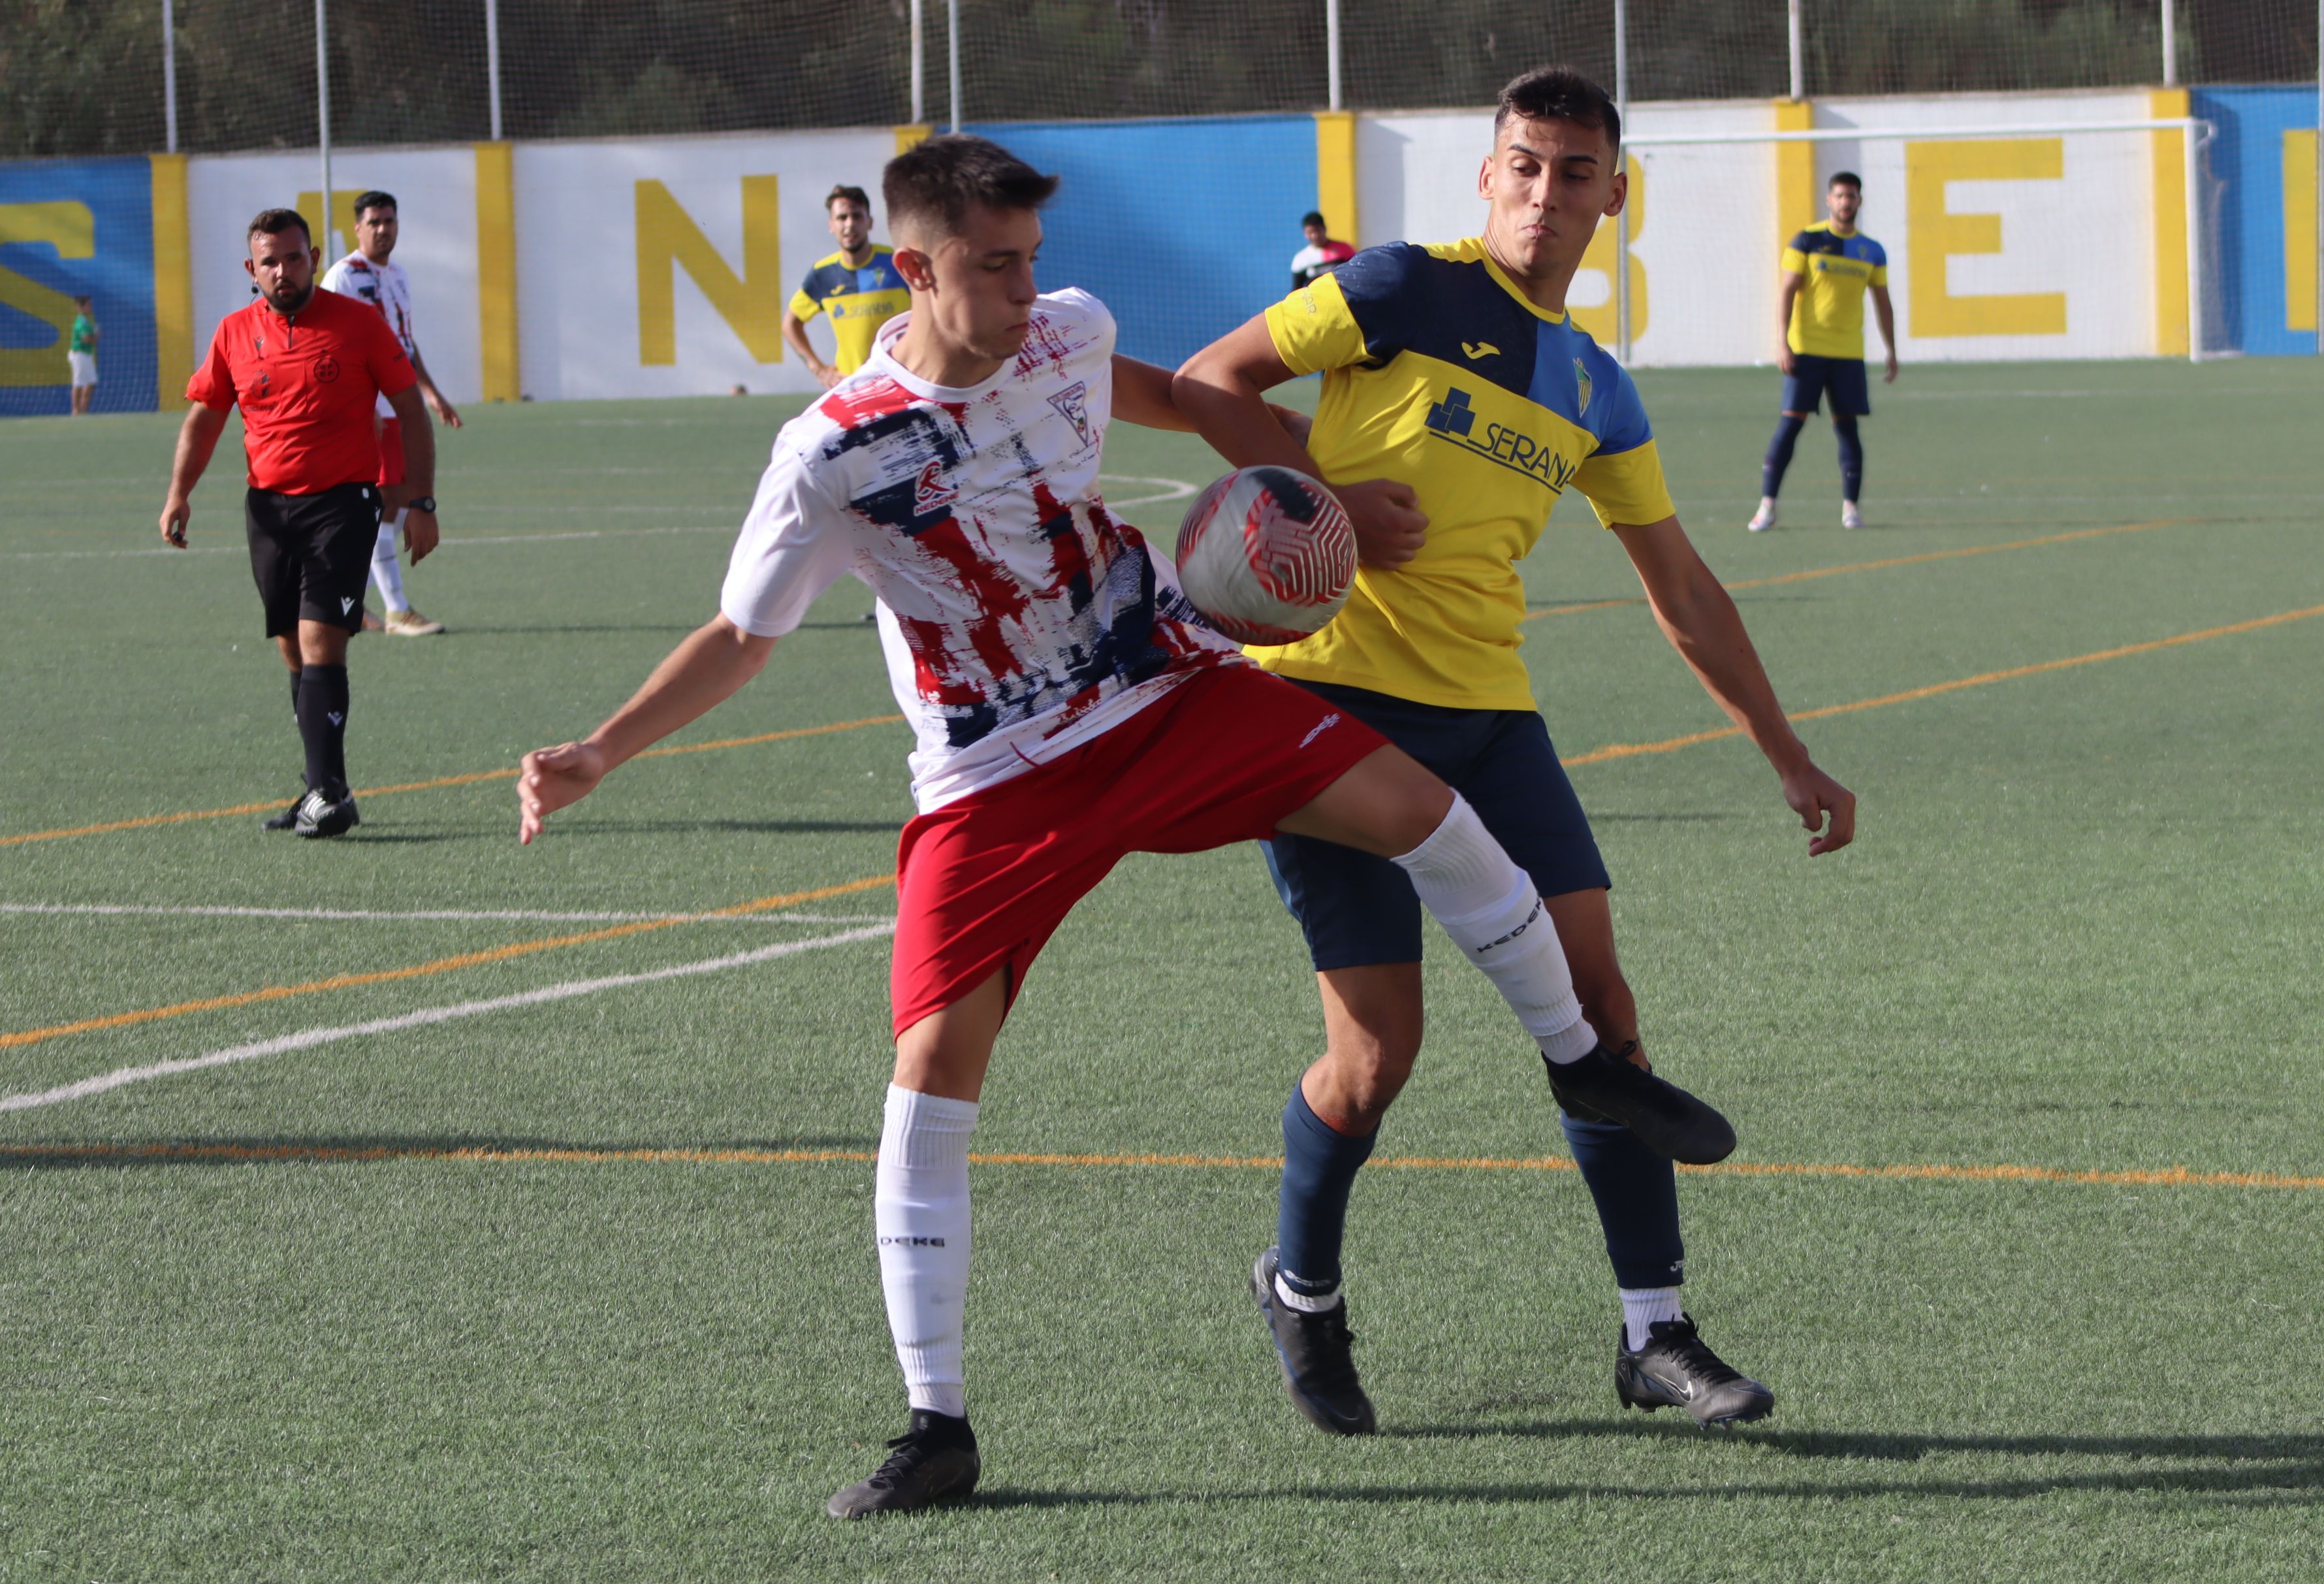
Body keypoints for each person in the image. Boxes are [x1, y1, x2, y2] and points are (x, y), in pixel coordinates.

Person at [513, 135, 1730, 1517]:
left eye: (1034, 258)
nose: (1032, 290)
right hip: (994, 775)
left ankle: (1584, 1064)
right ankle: (938, 1422)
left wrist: (1313, 498)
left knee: (1424, 810)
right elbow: (744, 635)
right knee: (930, 1073)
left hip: (1162, 684)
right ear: (913, 269)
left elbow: (1171, 393)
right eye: (995, 266)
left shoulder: (1065, 334)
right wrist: (602, 747)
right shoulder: (831, 452)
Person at [1177, 65, 1856, 1436]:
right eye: (1525, 166)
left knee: (1605, 1016)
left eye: (1576, 172)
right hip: (1329, 712)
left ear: (1618, 194)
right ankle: (1299, 1282)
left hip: (1491, 719)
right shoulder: (1394, 289)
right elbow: (1212, 382)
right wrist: (1332, 508)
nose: (1548, 194)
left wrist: (1786, 750)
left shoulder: (1597, 386)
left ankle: (1655, 1330)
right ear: (1489, 176)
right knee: (1378, 1054)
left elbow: (1682, 585)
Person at [159, 208, 439, 837]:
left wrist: (420, 501)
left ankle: (331, 795)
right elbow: (205, 419)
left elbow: (408, 410)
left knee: (319, 641)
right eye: (269, 262)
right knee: (291, 645)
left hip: (342, 503)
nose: (282, 271)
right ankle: (317, 785)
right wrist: (179, 493)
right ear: (250, 269)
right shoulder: (233, 333)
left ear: (313, 257)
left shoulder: (358, 325)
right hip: (268, 508)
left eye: (293, 258)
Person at [321, 189, 463, 636]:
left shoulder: (398, 274)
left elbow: (404, 341)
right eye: (374, 222)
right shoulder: (342, 276)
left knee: (393, 503)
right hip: (369, 406)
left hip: (399, 403)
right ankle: (396, 609)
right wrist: (355, 403)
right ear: (358, 228)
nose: (383, 229)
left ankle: (347, 605)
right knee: (385, 503)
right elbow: (327, 343)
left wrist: (431, 392)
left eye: (390, 221)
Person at [1753, 170, 1896, 532]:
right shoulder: (1807, 241)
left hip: (1848, 354)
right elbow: (1787, 291)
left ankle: (1851, 508)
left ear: (1860, 201)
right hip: (1807, 351)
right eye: (1840, 196)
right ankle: (1767, 506)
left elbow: (1883, 302)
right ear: (1829, 200)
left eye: (1852, 196)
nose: (1846, 202)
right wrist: (1783, 342)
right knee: (1791, 425)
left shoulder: (1872, 250)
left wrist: (1891, 350)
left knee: (1847, 429)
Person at [782, 184, 910, 389]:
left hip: (901, 384)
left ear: (870, 223)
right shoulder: (823, 274)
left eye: (857, 216)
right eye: (842, 218)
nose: (850, 225)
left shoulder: (897, 263)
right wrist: (819, 370)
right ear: (831, 225)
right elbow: (790, 324)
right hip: (853, 388)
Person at [1289, 210, 1356, 293]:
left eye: (1317, 231)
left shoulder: (1345, 249)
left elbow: (1356, 275)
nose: (1315, 236)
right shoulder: (1300, 259)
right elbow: (1296, 291)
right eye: (1310, 232)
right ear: (1305, 234)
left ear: (1324, 229)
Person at [67, 295, 98, 415]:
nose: (91, 307)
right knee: (78, 383)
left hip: (87, 355)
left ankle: (83, 409)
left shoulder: (87, 321)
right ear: (80, 307)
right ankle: (75, 410)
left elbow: (91, 338)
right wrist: (96, 337)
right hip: (79, 355)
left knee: (91, 382)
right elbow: (86, 339)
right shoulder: (81, 322)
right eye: (88, 305)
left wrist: (95, 336)